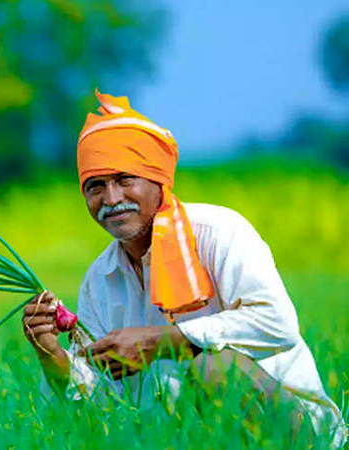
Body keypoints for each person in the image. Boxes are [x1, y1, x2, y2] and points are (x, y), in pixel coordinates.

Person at [21, 90, 347, 447]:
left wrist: (162, 342)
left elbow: (277, 324)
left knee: (213, 369)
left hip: (294, 433)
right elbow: (100, 398)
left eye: (125, 179)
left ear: (158, 181)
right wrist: (52, 356)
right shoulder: (100, 280)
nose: (111, 199)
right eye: (95, 186)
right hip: (182, 436)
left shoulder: (219, 233)